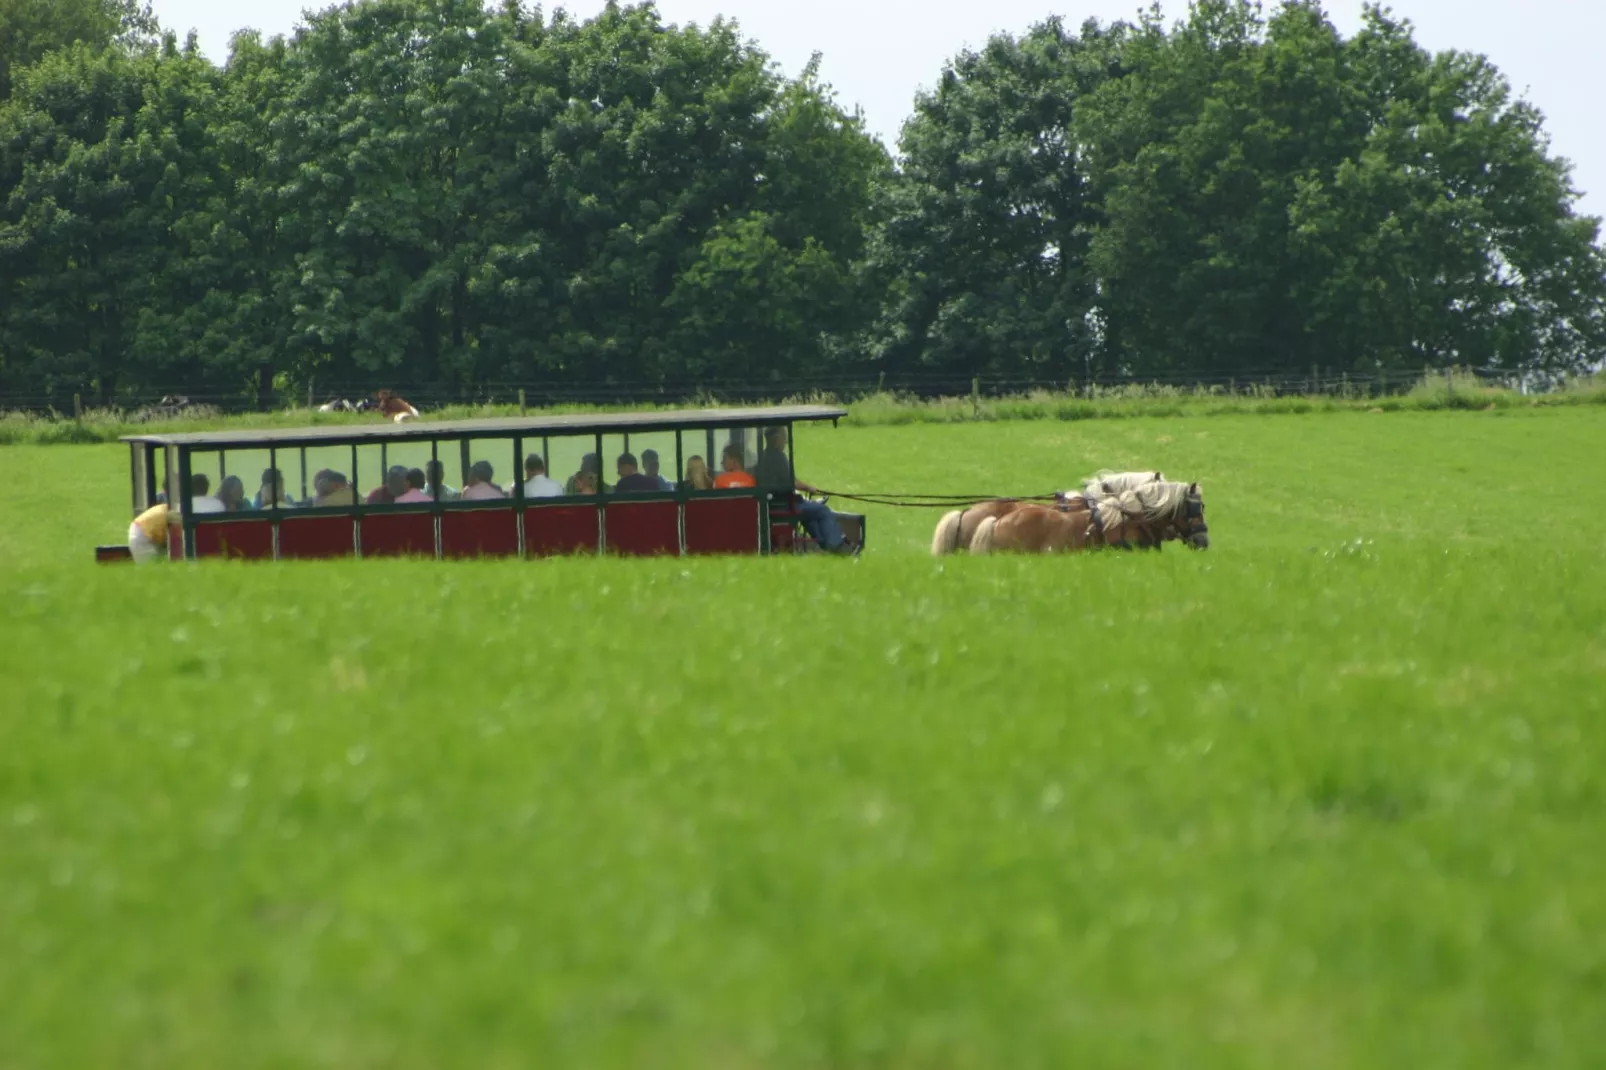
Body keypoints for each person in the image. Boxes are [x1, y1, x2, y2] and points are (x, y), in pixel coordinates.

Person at [754, 425, 850, 553]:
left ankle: (825, 545)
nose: (786, 441)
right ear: (776, 439)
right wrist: (809, 487)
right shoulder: (778, 457)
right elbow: (792, 482)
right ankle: (836, 545)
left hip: (774, 504)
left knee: (810, 516)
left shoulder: (763, 457)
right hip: (785, 506)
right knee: (823, 510)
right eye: (784, 438)